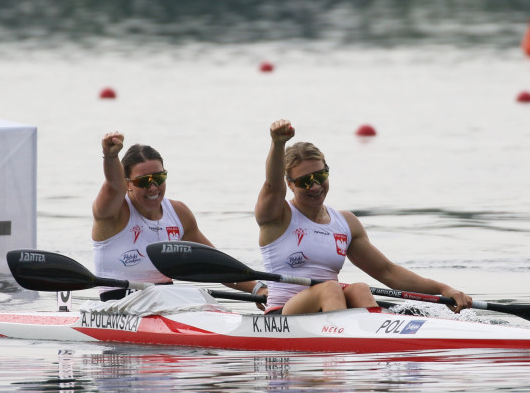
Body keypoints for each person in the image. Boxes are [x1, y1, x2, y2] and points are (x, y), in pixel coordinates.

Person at [254, 119, 472, 315]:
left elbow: (388, 272)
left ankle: (375, 341)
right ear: (290, 184)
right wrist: (278, 143)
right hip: (283, 314)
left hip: (329, 308)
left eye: (320, 176)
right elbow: (272, 186)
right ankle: (347, 344)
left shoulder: (345, 222)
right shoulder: (277, 216)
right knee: (329, 288)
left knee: (359, 288)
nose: (315, 186)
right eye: (304, 181)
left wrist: (443, 289)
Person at [92, 131, 265, 303]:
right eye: (144, 181)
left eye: (159, 178)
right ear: (127, 183)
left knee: (205, 301)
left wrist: (258, 289)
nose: (153, 187)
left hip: (165, 300)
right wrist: (111, 156)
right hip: (119, 304)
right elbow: (114, 187)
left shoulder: (178, 213)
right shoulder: (113, 212)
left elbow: (215, 266)